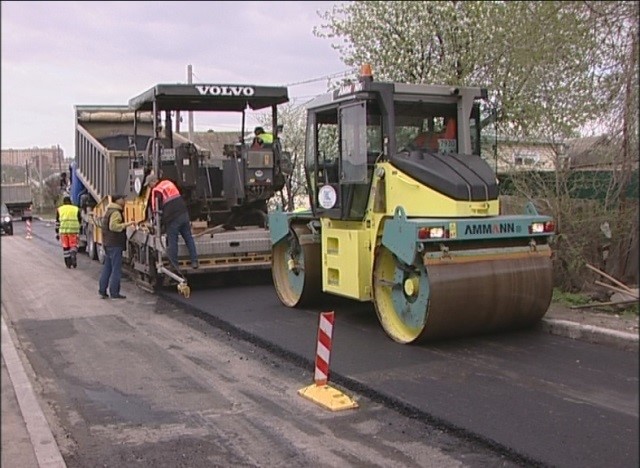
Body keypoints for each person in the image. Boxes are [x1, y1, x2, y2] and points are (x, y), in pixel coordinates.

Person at [145, 174, 199, 270]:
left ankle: (174, 266)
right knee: (188, 238)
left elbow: (155, 209)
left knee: (172, 241)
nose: (149, 187)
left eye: (149, 185)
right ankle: (194, 261)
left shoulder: (156, 190)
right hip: (184, 214)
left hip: (172, 218)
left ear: (153, 182)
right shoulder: (168, 183)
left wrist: (156, 224)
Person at [98, 194, 135, 299]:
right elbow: (113, 226)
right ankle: (114, 292)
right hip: (115, 244)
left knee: (107, 268)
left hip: (108, 243)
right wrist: (127, 224)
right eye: (123, 199)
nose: (124, 201)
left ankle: (102, 290)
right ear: (117, 201)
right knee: (116, 269)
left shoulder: (108, 210)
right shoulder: (116, 212)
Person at [55, 196, 81, 268]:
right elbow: (79, 220)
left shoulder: (60, 209)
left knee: (65, 247)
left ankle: (68, 263)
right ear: (70, 202)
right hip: (73, 230)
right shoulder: (76, 209)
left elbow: (57, 222)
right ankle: (73, 254)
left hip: (63, 231)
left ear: (63, 202)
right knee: (73, 245)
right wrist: (79, 228)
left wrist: (57, 232)